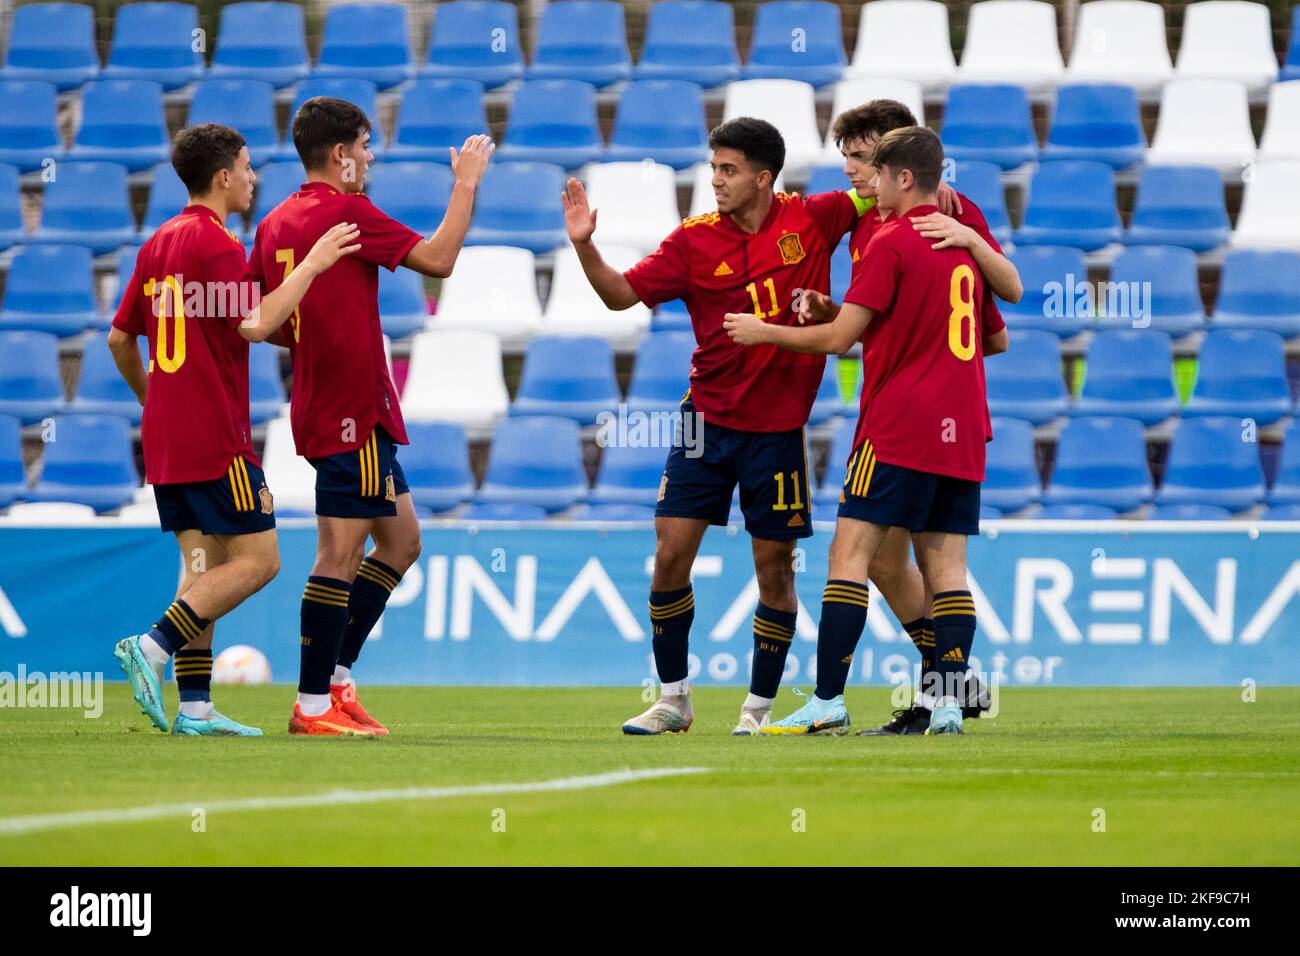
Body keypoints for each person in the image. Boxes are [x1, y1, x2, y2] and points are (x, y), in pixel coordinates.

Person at [724, 126, 1007, 736]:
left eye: (874, 172)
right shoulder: (962, 243)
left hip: (897, 424)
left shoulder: (892, 240)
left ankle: (828, 701)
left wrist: (764, 330)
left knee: (848, 554)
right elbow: (996, 329)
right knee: (948, 570)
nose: (866, 184)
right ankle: (950, 702)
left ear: (903, 177)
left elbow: (836, 340)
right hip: (961, 427)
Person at [249, 97, 493, 736]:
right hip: (350, 407)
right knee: (339, 554)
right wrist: (464, 186)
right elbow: (438, 260)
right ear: (340, 155)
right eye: (364, 146)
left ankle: (334, 680)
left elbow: (265, 316)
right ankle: (311, 706)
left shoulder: (274, 223)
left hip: (339, 405)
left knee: (402, 541)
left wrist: (317, 336)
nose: (370, 156)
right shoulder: (347, 213)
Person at [109, 123, 360, 736]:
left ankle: (194, 705)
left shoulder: (158, 242)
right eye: (247, 167)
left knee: (202, 564)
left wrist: (153, 402)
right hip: (216, 436)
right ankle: (152, 647)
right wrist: (314, 264)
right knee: (259, 559)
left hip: (168, 438)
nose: (253, 177)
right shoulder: (215, 242)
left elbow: (120, 338)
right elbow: (254, 324)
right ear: (223, 176)